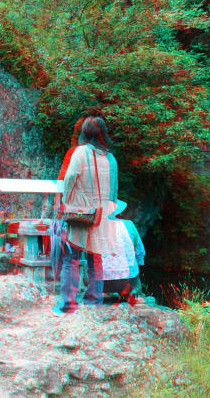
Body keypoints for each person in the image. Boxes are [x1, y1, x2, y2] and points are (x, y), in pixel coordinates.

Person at [52, 116, 119, 313]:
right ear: (103, 134)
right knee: (95, 260)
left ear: (84, 133)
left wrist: (65, 200)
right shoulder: (111, 158)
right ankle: (94, 301)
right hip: (101, 215)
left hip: (81, 212)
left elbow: (70, 177)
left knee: (71, 259)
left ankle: (68, 304)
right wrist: (108, 212)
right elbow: (114, 190)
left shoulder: (80, 152)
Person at [101, 199, 145, 302]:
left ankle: (103, 292)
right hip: (128, 280)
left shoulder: (96, 226)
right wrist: (137, 264)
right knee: (132, 271)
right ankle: (128, 293)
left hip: (101, 282)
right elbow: (140, 251)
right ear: (119, 213)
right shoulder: (129, 225)